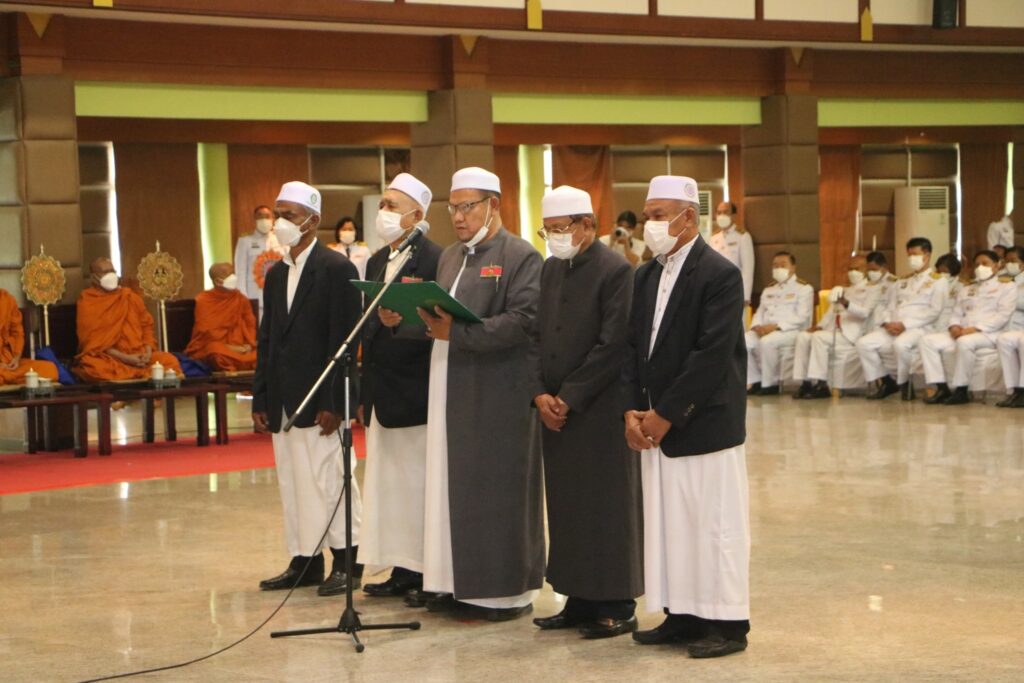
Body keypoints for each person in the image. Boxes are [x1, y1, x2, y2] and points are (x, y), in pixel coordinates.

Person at [623, 175, 750, 658]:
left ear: (688, 217)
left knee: (713, 528)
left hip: (704, 423)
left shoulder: (720, 274)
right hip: (655, 423)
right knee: (670, 526)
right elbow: (633, 349)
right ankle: (682, 615)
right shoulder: (645, 275)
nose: (649, 225)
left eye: (658, 216)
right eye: (647, 216)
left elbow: (711, 356)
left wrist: (667, 414)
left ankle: (727, 624)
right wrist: (631, 410)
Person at [411, 167, 543, 621]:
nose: (458, 217)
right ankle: (453, 583)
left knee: (495, 490)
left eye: (468, 206)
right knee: (452, 486)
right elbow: (439, 319)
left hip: (497, 392)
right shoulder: (450, 256)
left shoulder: (521, 256)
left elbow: (524, 322)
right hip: (449, 384)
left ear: (494, 205)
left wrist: (460, 334)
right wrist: (405, 317)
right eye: (453, 208)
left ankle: (503, 594)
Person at [528, 186, 643, 639]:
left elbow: (613, 344)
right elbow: (537, 336)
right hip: (555, 410)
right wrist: (540, 393)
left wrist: (569, 397)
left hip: (598, 408)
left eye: (560, 229)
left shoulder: (616, 270)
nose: (554, 238)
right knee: (567, 506)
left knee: (606, 506)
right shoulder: (551, 268)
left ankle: (617, 603)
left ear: (587, 225)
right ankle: (577, 599)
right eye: (548, 231)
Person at [252, 181, 364, 597]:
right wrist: (262, 396)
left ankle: (348, 564)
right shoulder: (277, 273)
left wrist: (335, 402)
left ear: (313, 221)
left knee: (330, 483)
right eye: (278, 214)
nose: (280, 222)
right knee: (293, 484)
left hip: (321, 401)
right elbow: (267, 339)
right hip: (284, 398)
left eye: (289, 215)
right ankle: (305, 561)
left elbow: (346, 342)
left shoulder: (336, 269)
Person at [358, 173, 441, 599]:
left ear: (417, 215)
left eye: (392, 206)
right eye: (383, 204)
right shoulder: (376, 260)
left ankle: (427, 572)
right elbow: (368, 329)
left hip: (416, 392)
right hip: (382, 392)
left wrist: (399, 322)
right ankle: (401, 568)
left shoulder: (435, 258)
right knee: (390, 490)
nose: (383, 212)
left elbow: (440, 323)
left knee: (418, 488)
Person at [856, 237, 949, 401]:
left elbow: (934, 311)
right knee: (863, 343)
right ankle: (886, 382)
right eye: (909, 255)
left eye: (915, 254)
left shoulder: (938, 281)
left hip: (919, 327)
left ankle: (905, 384)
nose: (912, 258)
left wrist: (905, 324)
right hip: (894, 326)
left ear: (927, 255)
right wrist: (887, 323)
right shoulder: (902, 281)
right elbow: (889, 306)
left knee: (901, 344)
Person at [919, 250, 1016, 405]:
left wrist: (974, 329)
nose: (980, 267)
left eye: (985, 263)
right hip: (962, 331)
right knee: (927, 341)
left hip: (989, 333)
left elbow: (1003, 316)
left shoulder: (1007, 286)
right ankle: (941, 387)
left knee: (965, 342)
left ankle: (961, 390)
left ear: (997, 266)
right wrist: (954, 326)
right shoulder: (967, 288)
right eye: (977, 264)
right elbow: (956, 312)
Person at [792, 254, 887, 399]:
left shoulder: (873, 289)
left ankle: (822, 384)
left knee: (819, 338)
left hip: (850, 334)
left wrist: (846, 303)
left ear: (866, 270)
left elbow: (864, 313)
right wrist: (819, 326)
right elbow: (831, 312)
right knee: (803, 336)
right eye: (850, 269)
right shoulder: (844, 289)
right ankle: (805, 382)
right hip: (833, 330)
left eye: (857, 269)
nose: (853, 272)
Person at [73, 258, 182, 382]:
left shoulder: (130, 296)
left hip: (140, 355)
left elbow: (146, 327)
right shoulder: (88, 301)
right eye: (105, 272)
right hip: (111, 358)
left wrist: (147, 353)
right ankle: (140, 378)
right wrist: (125, 358)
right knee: (93, 367)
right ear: (93, 277)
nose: (111, 275)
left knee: (169, 361)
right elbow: (94, 344)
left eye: (113, 271)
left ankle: (135, 378)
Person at [745, 252, 814, 396]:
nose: (778, 268)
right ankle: (755, 380)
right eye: (775, 265)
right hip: (764, 329)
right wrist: (756, 326)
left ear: (793, 267)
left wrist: (775, 327)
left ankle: (770, 384)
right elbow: (760, 312)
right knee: (742, 341)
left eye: (783, 265)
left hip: (790, 331)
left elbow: (802, 316)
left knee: (767, 342)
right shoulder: (769, 289)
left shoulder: (804, 288)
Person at [184, 263, 257, 372]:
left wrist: (249, 345)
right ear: (218, 281)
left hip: (242, 348)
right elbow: (207, 334)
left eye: (233, 273)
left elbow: (250, 324)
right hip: (221, 349)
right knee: (214, 352)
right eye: (229, 275)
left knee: (269, 350)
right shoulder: (204, 300)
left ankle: (243, 363)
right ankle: (243, 364)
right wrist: (235, 349)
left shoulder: (241, 299)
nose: (234, 277)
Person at [0, 289, 58, 385]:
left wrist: (16, 358)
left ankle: (6, 377)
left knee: (50, 369)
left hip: (8, 362)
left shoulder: (7, 299)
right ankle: (7, 377)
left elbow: (17, 333)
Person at [234, 205, 284, 303]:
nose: (264, 220)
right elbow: (240, 270)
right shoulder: (245, 241)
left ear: (273, 218)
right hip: (254, 294)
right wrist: (243, 296)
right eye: (260, 216)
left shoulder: (281, 239)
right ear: (255, 219)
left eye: (267, 216)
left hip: (278, 292)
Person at [710, 202, 755, 307]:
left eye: (725, 212)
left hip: (734, 290)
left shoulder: (742, 236)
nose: (722, 215)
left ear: (733, 215)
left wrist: (745, 296)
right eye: (719, 213)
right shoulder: (713, 238)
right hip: (716, 291)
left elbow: (748, 268)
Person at [995, 247, 1024, 407]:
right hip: (1005, 325)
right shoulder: (1001, 279)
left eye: (1014, 261)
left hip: (1021, 325)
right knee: (1004, 340)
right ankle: (1014, 390)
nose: (1009, 264)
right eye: (1007, 261)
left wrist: (1008, 301)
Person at [934, 253, 964, 331]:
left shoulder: (961, 286)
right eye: (939, 270)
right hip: (932, 318)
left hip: (949, 320)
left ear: (953, 270)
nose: (941, 273)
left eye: (944, 270)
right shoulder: (933, 282)